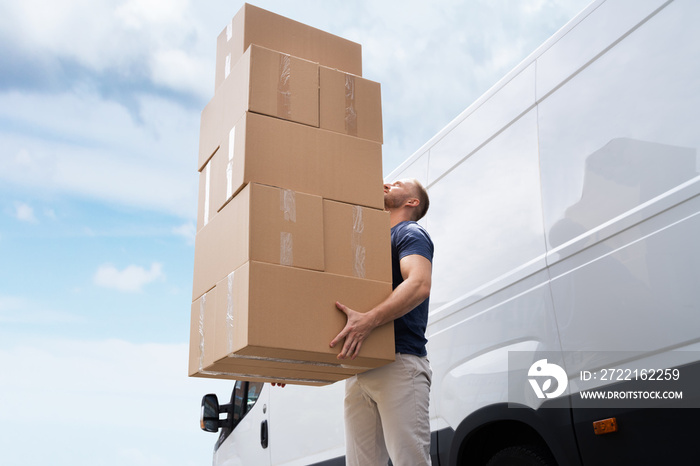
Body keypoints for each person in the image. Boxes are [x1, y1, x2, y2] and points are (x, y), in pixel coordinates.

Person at [330, 178, 434, 466]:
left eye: (399, 183)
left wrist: (369, 321)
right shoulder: (367, 247)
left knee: (409, 462)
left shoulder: (409, 233)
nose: (387, 182)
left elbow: (419, 283)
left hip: (398, 363)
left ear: (412, 202)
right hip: (360, 368)